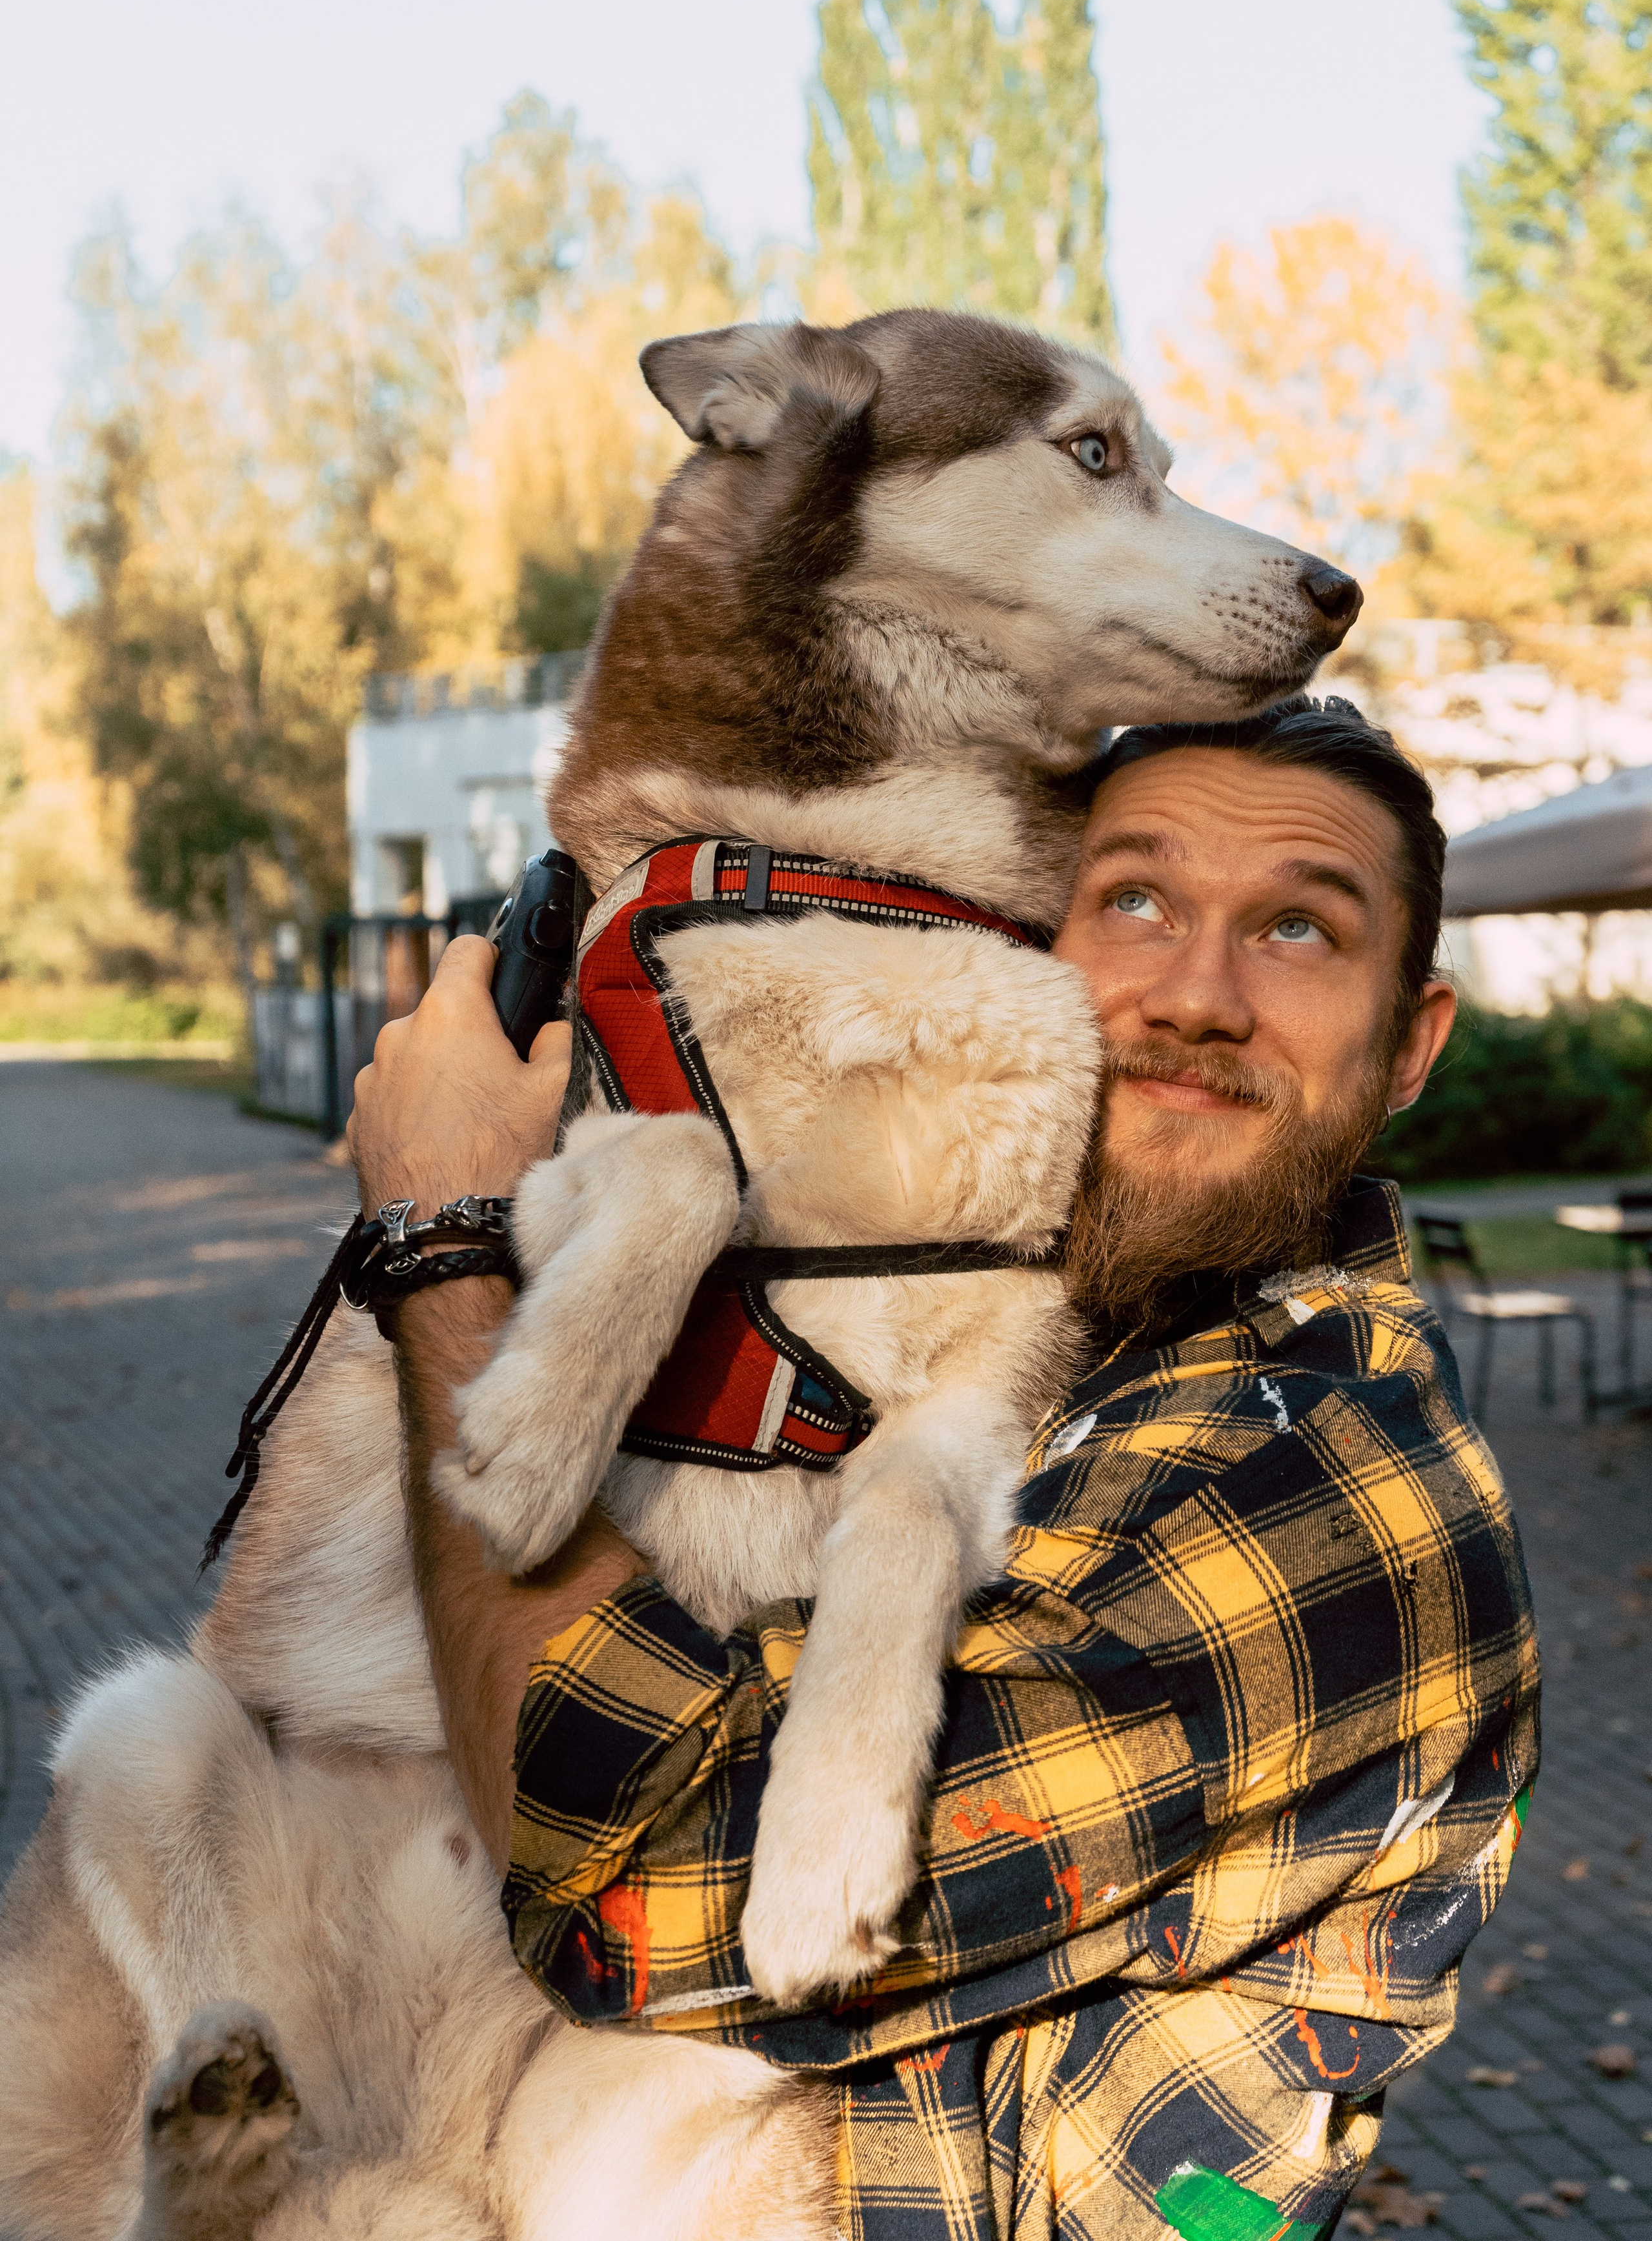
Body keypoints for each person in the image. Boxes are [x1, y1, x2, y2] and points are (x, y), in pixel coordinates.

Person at [348, 694, 1537, 2241]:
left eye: (1297, 929)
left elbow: (630, 1881)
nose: (1195, 998)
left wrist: (443, 1235)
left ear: (1410, 1042)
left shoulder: (1326, 1484)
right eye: (1133, 900)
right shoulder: (1051, 1324)